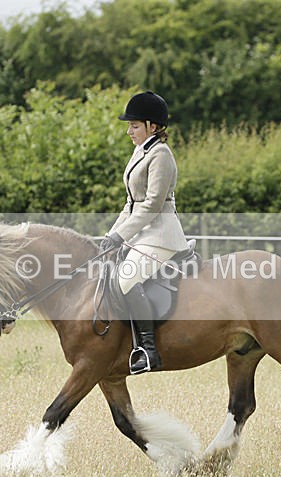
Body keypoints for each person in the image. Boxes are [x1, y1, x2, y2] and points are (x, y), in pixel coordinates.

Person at [99, 91, 188, 375]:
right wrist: (111, 235)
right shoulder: (141, 151)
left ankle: (147, 351)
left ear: (152, 126)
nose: (129, 131)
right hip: (141, 233)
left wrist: (121, 236)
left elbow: (151, 205)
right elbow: (131, 204)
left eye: (134, 125)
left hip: (160, 235)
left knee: (125, 280)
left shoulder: (161, 154)